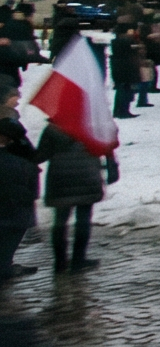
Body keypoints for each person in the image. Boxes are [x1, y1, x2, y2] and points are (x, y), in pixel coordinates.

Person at [37, 118, 110, 272]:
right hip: (87, 175)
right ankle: (78, 260)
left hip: (60, 178)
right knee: (83, 219)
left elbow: (40, 156)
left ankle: (60, 262)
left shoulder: (52, 128)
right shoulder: (91, 124)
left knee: (60, 221)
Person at [0, 87, 38, 280]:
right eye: (14, 96)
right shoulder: (8, 122)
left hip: (15, 188)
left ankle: (6, 265)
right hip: (13, 190)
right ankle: (5, 267)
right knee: (11, 231)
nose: (17, 100)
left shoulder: (12, 120)